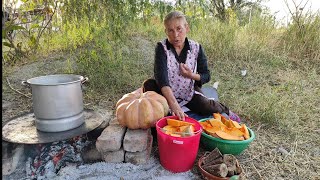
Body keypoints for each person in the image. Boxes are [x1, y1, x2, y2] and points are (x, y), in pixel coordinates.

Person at [142, 11, 240, 122]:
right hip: (166, 93)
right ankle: (169, 110)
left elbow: (206, 76)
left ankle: (225, 110)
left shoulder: (196, 48)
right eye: (171, 30)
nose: (175, 35)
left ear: (186, 28)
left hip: (187, 91)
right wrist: (173, 104)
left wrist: (191, 75)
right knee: (148, 85)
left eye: (179, 29)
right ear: (166, 32)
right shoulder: (161, 48)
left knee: (206, 106)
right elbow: (162, 79)